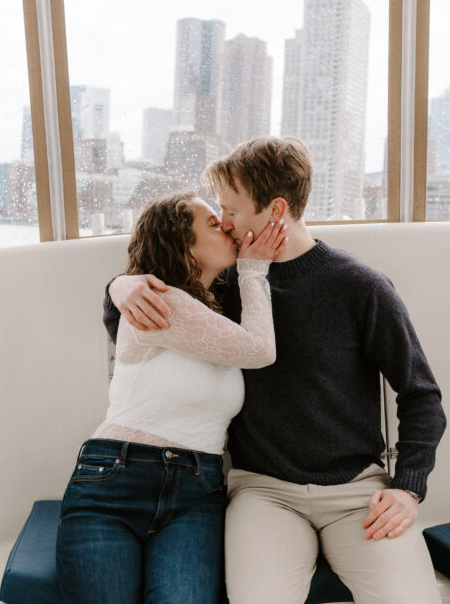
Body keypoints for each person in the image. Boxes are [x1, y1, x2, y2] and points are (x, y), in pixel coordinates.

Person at [106, 136, 446, 603]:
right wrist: (119, 287)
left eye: (232, 210)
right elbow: (136, 322)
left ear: (276, 210)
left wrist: (409, 488)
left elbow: (420, 393)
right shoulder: (220, 285)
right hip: (263, 493)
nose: (223, 223)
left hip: (357, 492)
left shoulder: (361, 287)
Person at [56, 191, 287, 604]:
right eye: (213, 224)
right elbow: (260, 350)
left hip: (196, 492)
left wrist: (119, 284)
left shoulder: (211, 314)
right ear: (181, 245)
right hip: (116, 478)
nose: (228, 228)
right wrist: (254, 269)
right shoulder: (160, 300)